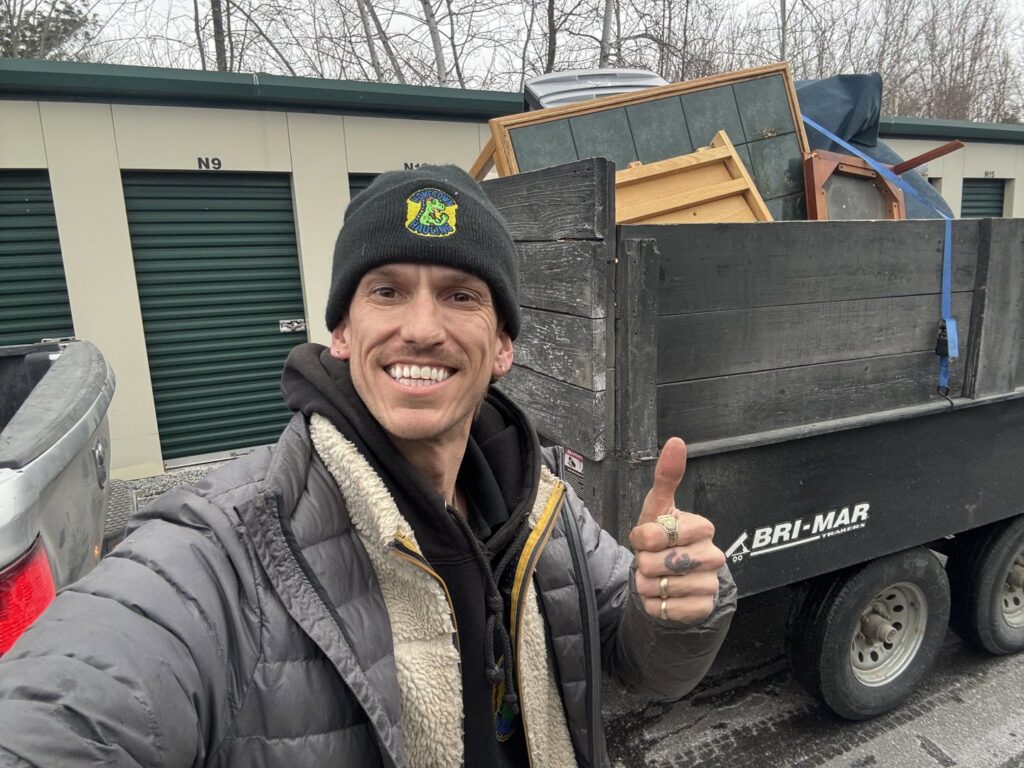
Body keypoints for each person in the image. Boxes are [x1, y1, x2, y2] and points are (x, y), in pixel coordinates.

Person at [0, 165, 735, 767]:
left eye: (460, 295)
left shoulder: (542, 507)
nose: (421, 328)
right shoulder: (228, 546)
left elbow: (649, 668)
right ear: (343, 332)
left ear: (503, 346)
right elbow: (71, 705)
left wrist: (675, 608)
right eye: (387, 290)